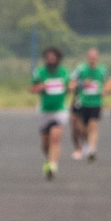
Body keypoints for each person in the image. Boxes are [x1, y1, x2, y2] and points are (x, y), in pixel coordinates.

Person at [30, 46, 70, 179]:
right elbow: (32, 88)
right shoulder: (39, 72)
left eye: (53, 58)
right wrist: (40, 87)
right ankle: (49, 159)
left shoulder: (64, 72)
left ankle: (53, 165)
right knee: (45, 144)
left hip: (59, 110)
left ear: (58, 59)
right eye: (48, 58)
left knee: (56, 136)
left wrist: (72, 87)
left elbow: (71, 85)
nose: (51, 60)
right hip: (44, 111)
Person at [69, 48, 107, 162]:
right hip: (81, 102)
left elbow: (106, 84)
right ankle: (85, 143)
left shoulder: (102, 70)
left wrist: (105, 90)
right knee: (80, 128)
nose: (92, 59)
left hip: (95, 102)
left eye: (94, 57)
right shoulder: (80, 69)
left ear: (97, 58)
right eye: (90, 57)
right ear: (87, 57)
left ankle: (92, 149)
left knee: (93, 125)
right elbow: (71, 83)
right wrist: (82, 84)